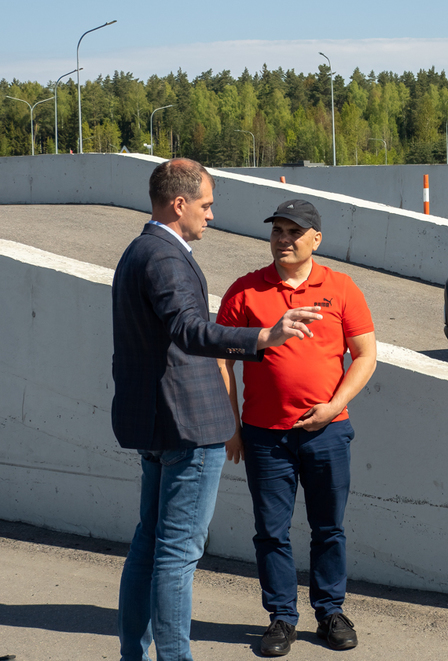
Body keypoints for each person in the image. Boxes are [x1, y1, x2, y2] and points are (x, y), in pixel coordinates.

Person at [112, 159, 324, 661]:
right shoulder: (165, 256)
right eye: (206, 205)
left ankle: (132, 654)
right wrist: (264, 336)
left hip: (156, 424)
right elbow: (190, 330)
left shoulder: (138, 250)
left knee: (149, 545)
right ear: (179, 204)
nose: (211, 215)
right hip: (189, 426)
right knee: (176, 555)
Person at [217, 199, 377, 656]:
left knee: (329, 528)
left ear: (315, 239)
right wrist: (233, 425)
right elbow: (222, 360)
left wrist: (335, 406)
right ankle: (282, 617)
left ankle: (330, 612)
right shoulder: (244, 292)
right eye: (277, 232)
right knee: (271, 530)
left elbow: (365, 355)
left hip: (328, 431)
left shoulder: (342, 288)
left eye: (293, 232)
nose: (283, 239)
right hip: (264, 435)